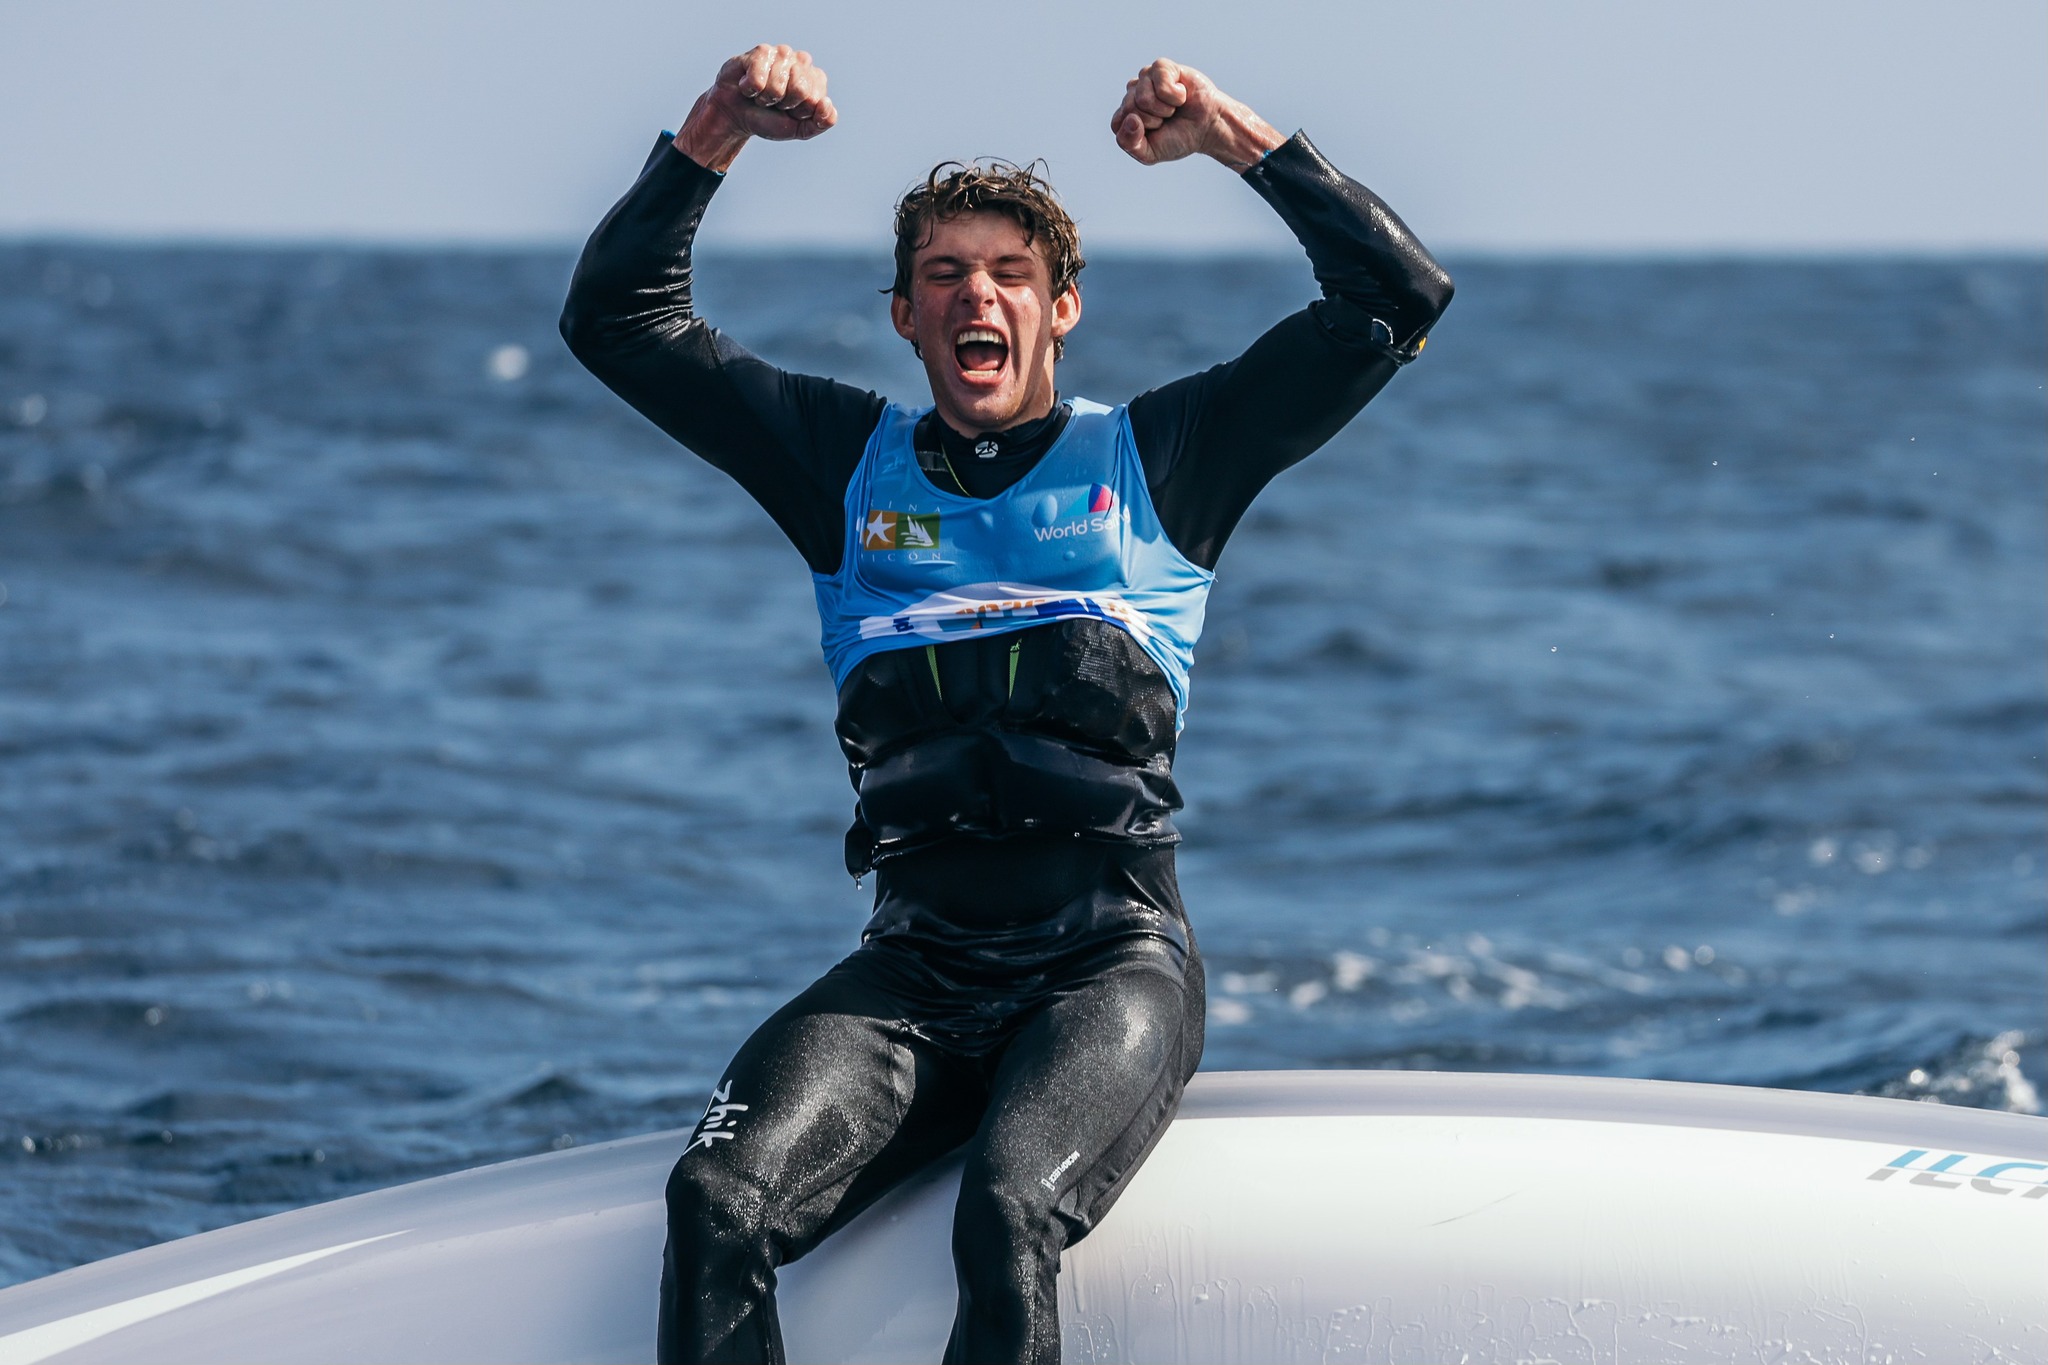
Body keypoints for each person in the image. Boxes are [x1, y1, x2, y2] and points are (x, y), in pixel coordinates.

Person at [560, 43, 1452, 1365]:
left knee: (1004, 1213)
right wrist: (716, 128)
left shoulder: (1159, 460)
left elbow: (1395, 295)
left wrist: (1227, 135)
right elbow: (618, 321)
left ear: (1060, 308)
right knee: (714, 1200)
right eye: (943, 275)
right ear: (905, 318)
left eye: (1009, 273)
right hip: (915, 968)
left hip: (1108, 962)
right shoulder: (841, 465)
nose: (976, 294)